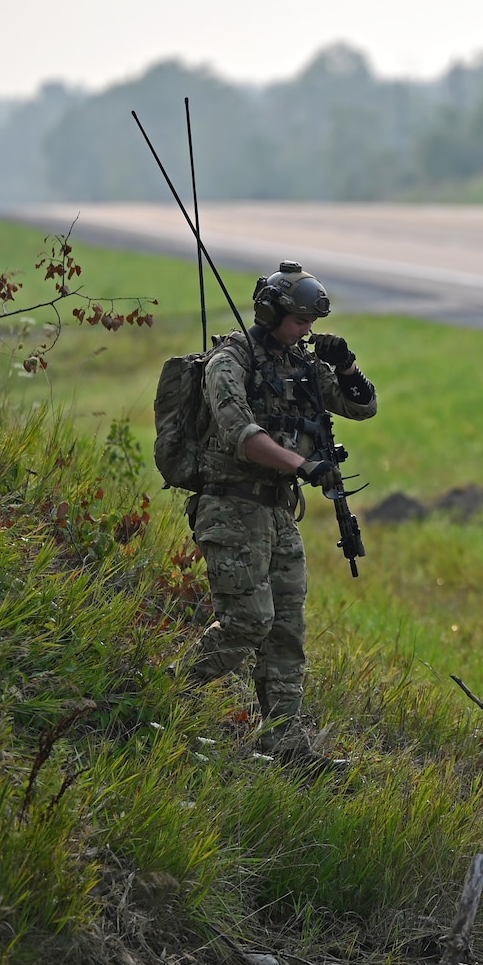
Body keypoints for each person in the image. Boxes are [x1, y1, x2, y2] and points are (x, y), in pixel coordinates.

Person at [190, 261, 377, 762]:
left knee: (287, 628)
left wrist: (346, 366)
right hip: (231, 507)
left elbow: (362, 407)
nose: (306, 333)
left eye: (311, 326)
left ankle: (288, 744)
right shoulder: (230, 362)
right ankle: (164, 697)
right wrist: (305, 466)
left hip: (277, 512)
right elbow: (242, 436)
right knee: (248, 621)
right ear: (270, 312)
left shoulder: (301, 367)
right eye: (299, 322)